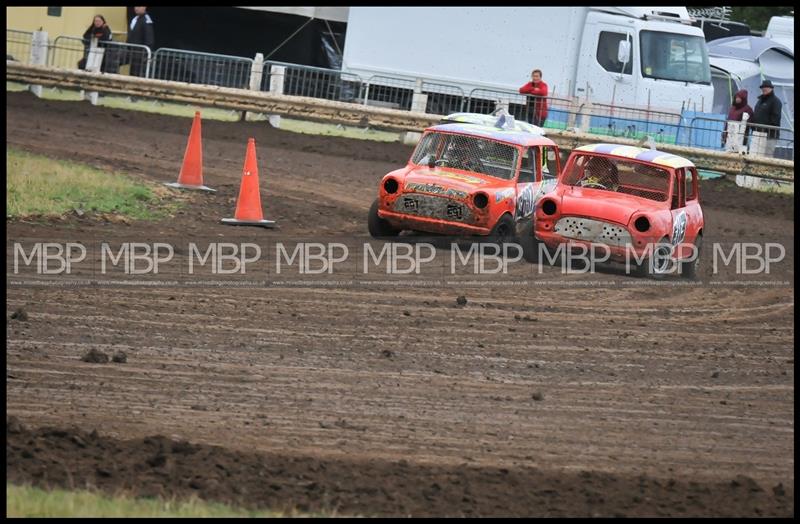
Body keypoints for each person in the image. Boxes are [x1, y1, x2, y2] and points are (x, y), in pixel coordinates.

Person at [750, 80, 783, 157]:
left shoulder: (776, 101)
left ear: (771, 88)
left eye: (766, 87)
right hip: (758, 133)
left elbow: (776, 118)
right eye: (763, 87)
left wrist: (764, 128)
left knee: (767, 156)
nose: (764, 89)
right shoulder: (760, 100)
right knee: (755, 155)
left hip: (770, 135)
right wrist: (753, 126)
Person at [127, 6, 155, 77]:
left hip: (140, 52)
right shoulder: (135, 19)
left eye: (139, 6)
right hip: (132, 51)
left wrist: (147, 53)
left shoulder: (146, 20)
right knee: (132, 71)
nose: (136, 8)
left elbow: (149, 38)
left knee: (137, 73)